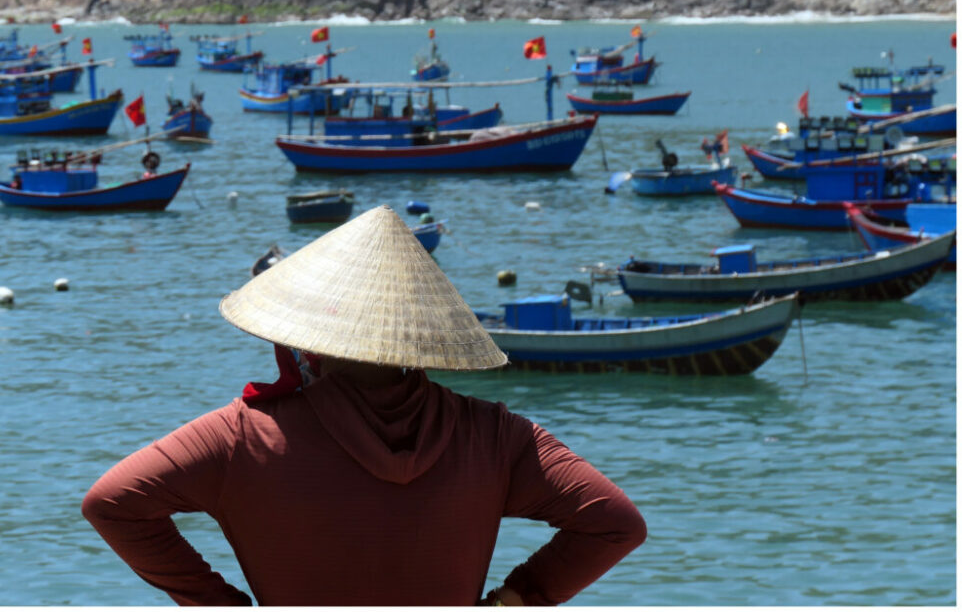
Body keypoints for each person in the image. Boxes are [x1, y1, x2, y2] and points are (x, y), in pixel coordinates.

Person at [81, 205, 645, 606]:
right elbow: (616, 525)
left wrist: (213, 603)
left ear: (304, 339)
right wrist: (517, 600)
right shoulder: (496, 436)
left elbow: (111, 503)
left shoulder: (240, 436)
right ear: (421, 339)